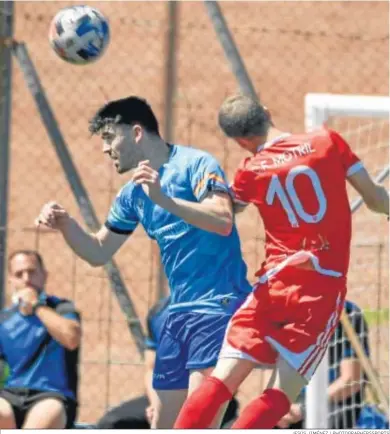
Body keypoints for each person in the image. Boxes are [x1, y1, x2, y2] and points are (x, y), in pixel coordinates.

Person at [174, 93, 389, 429]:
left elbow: (226, 210)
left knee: (222, 379)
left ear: (242, 141)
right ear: (267, 112)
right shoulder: (327, 141)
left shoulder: (249, 172)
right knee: (279, 394)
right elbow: (375, 198)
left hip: (271, 287)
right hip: (319, 291)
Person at [36, 96, 252, 428]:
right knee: (163, 427)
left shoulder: (196, 164)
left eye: (109, 138)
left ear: (136, 132)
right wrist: (66, 224)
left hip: (218, 306)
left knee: (197, 425)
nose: (105, 149)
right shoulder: (132, 195)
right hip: (177, 315)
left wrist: (164, 199)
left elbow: (223, 219)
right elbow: (98, 251)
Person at [96, 296, 239, 429]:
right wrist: (155, 403)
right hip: (164, 396)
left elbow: (232, 370)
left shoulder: (225, 305)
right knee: (111, 424)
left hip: (211, 399)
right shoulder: (160, 311)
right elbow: (150, 368)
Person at [0, 250, 81, 429]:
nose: (27, 278)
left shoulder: (61, 308)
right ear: (11, 280)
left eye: (32, 271)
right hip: (10, 394)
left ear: (44, 275)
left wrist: (36, 306)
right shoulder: (4, 319)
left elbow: (72, 339)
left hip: (51, 395)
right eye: (19, 274)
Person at [277, 299, 370, 429]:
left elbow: (351, 381)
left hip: (335, 400)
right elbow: (276, 371)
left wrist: (305, 407)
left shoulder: (348, 315)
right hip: (295, 401)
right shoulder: (288, 314)